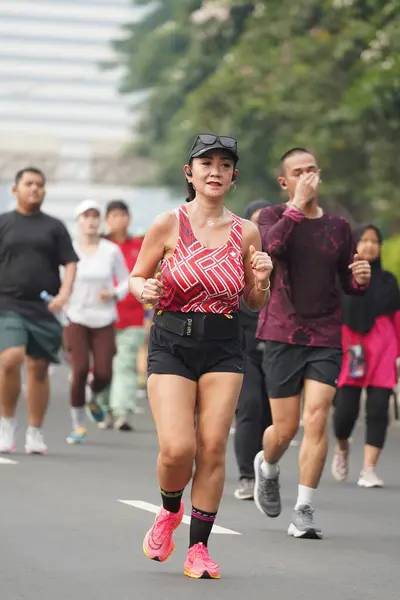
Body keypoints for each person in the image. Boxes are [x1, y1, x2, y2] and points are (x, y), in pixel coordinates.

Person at [130, 133, 273, 579]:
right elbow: (138, 277)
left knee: (212, 447)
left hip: (224, 346)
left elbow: (252, 301)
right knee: (178, 448)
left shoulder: (246, 231)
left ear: (233, 177)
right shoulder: (167, 223)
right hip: (172, 341)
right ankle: (170, 508)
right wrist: (145, 289)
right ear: (189, 173)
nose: (215, 171)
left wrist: (263, 279)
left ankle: (198, 550)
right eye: (206, 163)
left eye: (225, 165)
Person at [253, 147, 371, 539]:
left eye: (311, 170)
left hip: (325, 334)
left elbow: (348, 282)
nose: (307, 177)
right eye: (297, 172)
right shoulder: (272, 217)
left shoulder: (338, 226)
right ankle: (267, 466)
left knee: (317, 415)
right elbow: (271, 249)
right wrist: (297, 207)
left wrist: (361, 278)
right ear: (284, 181)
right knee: (283, 430)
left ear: (320, 174)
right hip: (282, 331)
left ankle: (304, 508)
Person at [0, 167, 78, 455]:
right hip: (7, 303)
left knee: (39, 368)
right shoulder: (4, 223)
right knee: (10, 359)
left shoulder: (54, 227)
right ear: (15, 189)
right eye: (29, 184)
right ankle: (6, 423)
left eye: (40, 185)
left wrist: (65, 292)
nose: (35, 189)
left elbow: (70, 262)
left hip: (44, 307)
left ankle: (35, 430)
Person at [331, 224, 400, 488]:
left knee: (379, 409)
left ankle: (369, 468)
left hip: (383, 349)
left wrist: (398, 356)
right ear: (354, 245)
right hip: (350, 349)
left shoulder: (389, 281)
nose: (370, 245)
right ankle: (342, 447)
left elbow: (397, 319)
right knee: (344, 412)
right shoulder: (342, 278)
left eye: (375, 241)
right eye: (364, 240)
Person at [63, 200, 129, 444]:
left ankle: (92, 395)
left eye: (94, 217)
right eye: (85, 217)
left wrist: (113, 293)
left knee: (104, 372)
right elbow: (59, 282)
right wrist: (62, 301)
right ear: (78, 221)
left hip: (104, 318)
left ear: (100, 222)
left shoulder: (110, 250)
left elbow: (126, 280)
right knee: (79, 370)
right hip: (76, 317)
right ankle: (78, 424)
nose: (90, 221)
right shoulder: (69, 250)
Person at [234, 199, 273, 500]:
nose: (263, 227)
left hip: (277, 347)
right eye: (257, 221)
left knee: (271, 418)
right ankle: (247, 476)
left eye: (269, 220)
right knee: (249, 408)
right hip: (243, 345)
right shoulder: (235, 257)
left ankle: (266, 471)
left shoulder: (284, 258)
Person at [96, 200, 145, 431]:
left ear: (129, 217)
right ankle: (103, 409)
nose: (119, 220)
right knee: (102, 366)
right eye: (114, 215)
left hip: (132, 317)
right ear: (107, 220)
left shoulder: (140, 245)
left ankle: (122, 412)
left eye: (122, 215)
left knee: (124, 364)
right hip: (100, 317)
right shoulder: (98, 246)